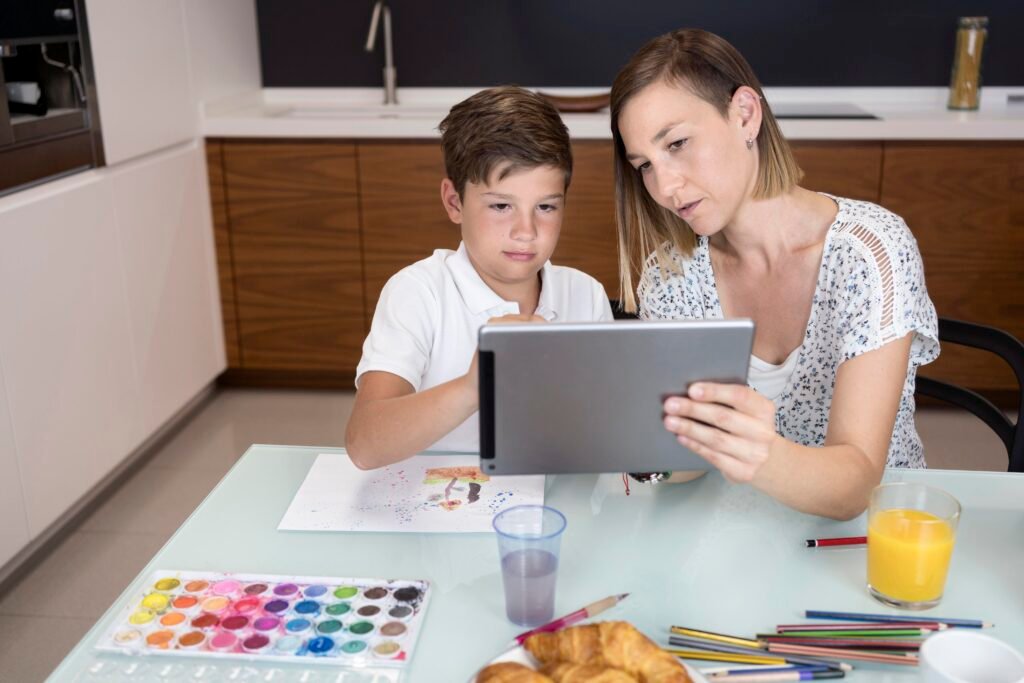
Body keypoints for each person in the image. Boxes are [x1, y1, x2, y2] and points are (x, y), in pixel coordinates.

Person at [610, 29, 939, 519]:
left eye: (677, 144)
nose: (665, 186)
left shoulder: (871, 252)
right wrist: (642, 449)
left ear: (745, 114)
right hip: (742, 530)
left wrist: (760, 453)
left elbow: (855, 485)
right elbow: (692, 463)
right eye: (644, 165)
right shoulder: (670, 274)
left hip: (872, 540)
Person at [346, 86, 614, 470]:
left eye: (546, 207)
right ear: (454, 202)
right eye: (501, 205)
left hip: (549, 503)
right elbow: (364, 444)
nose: (527, 231)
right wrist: (474, 387)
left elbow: (602, 427)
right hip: (438, 511)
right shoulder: (418, 293)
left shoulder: (585, 294)